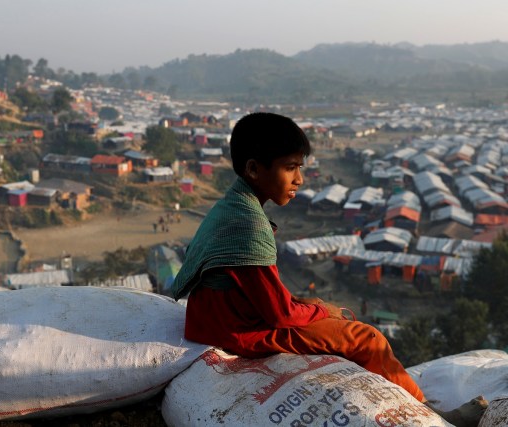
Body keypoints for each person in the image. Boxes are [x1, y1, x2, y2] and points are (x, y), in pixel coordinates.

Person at [171, 112, 486, 426]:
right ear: (254, 169)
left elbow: (259, 290)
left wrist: (311, 308)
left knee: (318, 309)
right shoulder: (250, 224)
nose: (299, 179)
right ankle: (434, 414)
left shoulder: (232, 204)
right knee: (367, 338)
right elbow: (279, 316)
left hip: (218, 316)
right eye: (289, 168)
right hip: (236, 330)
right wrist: (322, 311)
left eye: (299, 168)